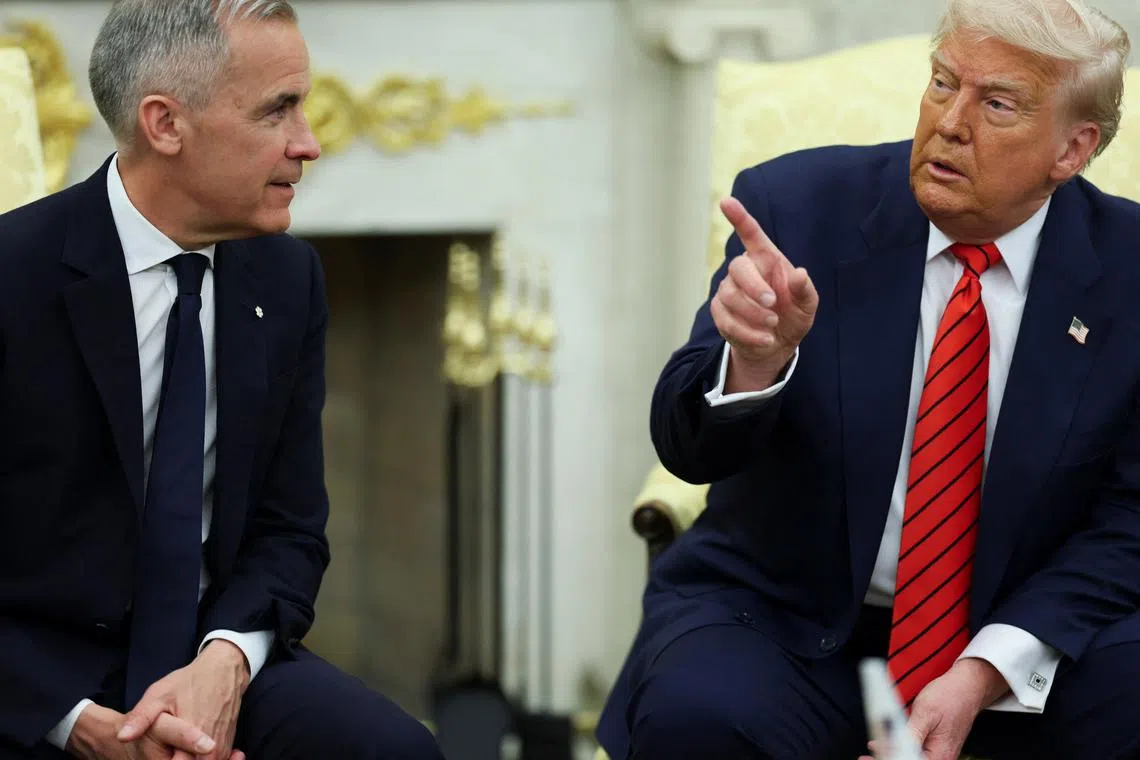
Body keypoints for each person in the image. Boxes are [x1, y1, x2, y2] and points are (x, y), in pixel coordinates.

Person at [596, 0, 1140, 758]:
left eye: (997, 104)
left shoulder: (1129, 272)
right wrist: (755, 362)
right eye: (944, 83)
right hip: (788, 618)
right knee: (700, 714)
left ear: (1072, 149)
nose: (951, 122)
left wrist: (988, 667)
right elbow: (690, 451)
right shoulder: (798, 207)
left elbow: (1130, 521)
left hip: (1024, 629)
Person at [0, 1, 444, 759]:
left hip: (211, 650)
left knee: (395, 750)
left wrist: (226, 660)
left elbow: (291, 530)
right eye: (279, 111)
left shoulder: (289, 277)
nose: (310, 143)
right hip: (32, 684)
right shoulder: (15, 275)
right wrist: (75, 722)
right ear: (165, 124)